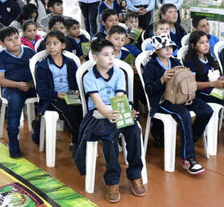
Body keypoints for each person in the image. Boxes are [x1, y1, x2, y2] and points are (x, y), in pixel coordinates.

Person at [74, 39, 146, 202]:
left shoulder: (119, 72)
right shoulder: (89, 76)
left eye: (112, 54)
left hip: (118, 108)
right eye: (106, 55)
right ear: (94, 57)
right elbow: (98, 102)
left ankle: (135, 175)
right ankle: (112, 181)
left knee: (134, 131)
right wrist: (108, 113)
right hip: (99, 114)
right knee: (109, 137)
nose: (111, 58)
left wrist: (122, 112)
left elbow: (120, 96)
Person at [143, 34, 212, 175]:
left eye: (170, 47)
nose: (169, 50)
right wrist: (162, 79)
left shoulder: (176, 62)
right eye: (164, 47)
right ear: (156, 50)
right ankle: (189, 159)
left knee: (206, 110)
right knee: (183, 115)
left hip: (182, 97)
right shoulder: (151, 66)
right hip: (162, 101)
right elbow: (149, 90)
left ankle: (190, 141)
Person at [0, 26, 37, 157]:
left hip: (31, 86)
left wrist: (33, 84)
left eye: (16, 38)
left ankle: (39, 127)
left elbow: (38, 71)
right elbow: (0, 79)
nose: (15, 42)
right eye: (9, 40)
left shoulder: (30, 52)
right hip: (12, 88)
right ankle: (13, 140)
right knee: (16, 102)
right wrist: (17, 85)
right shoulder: (0, 57)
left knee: (47, 95)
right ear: (2, 43)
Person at [32, 30, 82, 148]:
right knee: (69, 111)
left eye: (55, 43)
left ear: (63, 45)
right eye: (48, 44)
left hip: (70, 95)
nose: (51, 47)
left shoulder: (70, 63)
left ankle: (78, 140)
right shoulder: (42, 66)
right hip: (52, 98)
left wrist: (76, 90)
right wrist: (56, 95)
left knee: (81, 110)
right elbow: (41, 89)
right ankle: (78, 143)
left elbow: (76, 82)